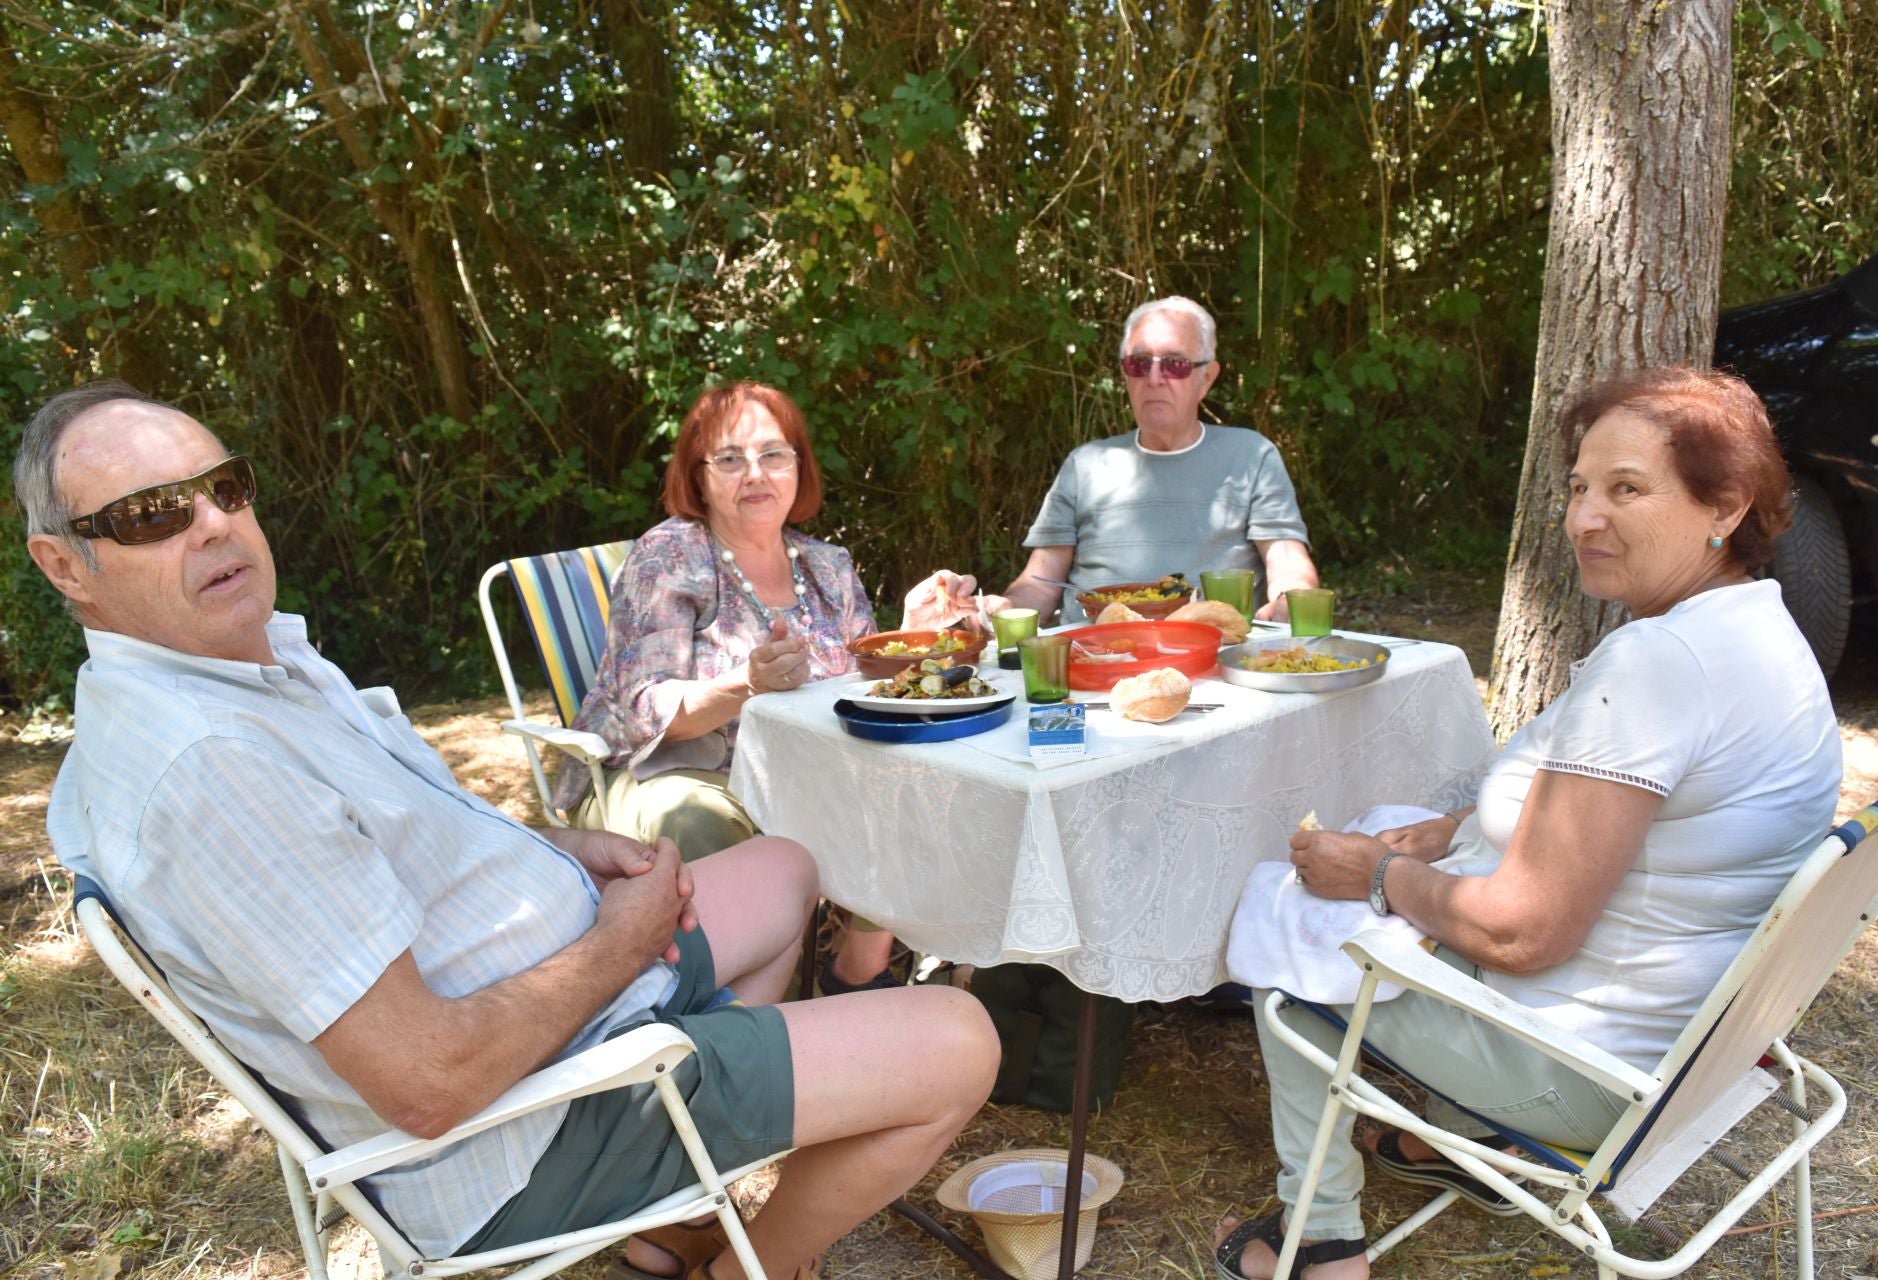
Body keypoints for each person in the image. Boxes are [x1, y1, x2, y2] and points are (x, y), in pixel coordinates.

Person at [21, 383, 1000, 1280]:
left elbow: (401, 837)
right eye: (152, 513)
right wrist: (619, 941)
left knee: (786, 866)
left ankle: (680, 1200)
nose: (211, 523)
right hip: (526, 1124)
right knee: (960, 1039)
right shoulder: (209, 768)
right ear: (65, 563)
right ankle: (753, 1264)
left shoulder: (247, 663)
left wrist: (562, 847)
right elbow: (428, 1083)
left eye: (224, 488)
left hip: (564, 994)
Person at [1212, 367, 1843, 1280]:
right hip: (1687, 1041)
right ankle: (1451, 1142)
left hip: (1588, 1071)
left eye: (1627, 489)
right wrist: (1448, 832)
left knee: (1290, 944)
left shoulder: (1661, 665)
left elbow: (1524, 929)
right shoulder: (1757, 630)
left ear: (1728, 505)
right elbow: (1631, 825)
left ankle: (1321, 1242)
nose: (1585, 518)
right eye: (1580, 488)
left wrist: (1376, 878)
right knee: (1392, 834)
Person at [558, 381, 941, 995]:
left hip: (803, 771)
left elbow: (864, 688)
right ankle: (750, 1029)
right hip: (674, 775)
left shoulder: (827, 565)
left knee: (918, 778)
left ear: (799, 466)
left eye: (773, 454)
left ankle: (854, 973)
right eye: (730, 458)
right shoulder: (670, 557)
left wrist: (920, 636)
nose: (755, 474)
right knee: (701, 821)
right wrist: (745, 684)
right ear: (699, 475)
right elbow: (641, 708)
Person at [993, 296, 1321, 624]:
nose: (1153, 378)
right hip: (1094, 657)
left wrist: (1288, 601)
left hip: (1212, 660)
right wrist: (999, 610)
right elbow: (1039, 583)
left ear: (1205, 378)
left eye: (1173, 364)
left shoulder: (1250, 456)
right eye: (1139, 363)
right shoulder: (1085, 465)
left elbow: (1287, 560)